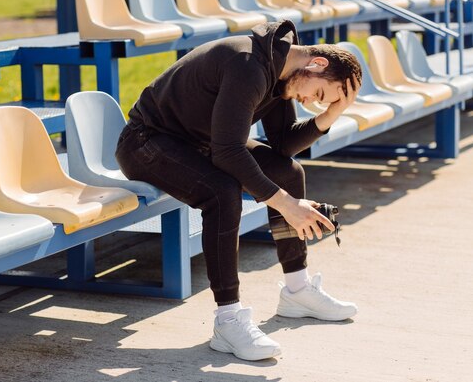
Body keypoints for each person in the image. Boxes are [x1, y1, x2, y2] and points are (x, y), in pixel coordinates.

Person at [115, 20, 361, 361]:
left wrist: (333, 113)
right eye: (319, 95)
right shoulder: (248, 64)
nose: (309, 101)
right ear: (316, 64)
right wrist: (286, 205)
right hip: (147, 142)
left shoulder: (280, 71)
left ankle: (297, 290)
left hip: (198, 143)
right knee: (222, 191)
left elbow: (283, 143)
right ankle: (227, 319)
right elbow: (227, 151)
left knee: (288, 172)